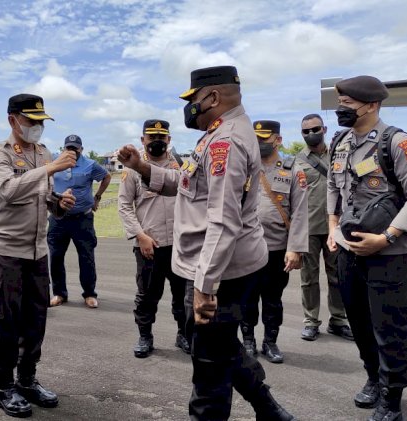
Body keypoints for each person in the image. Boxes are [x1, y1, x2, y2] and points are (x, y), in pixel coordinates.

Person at [118, 65, 294, 421]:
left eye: (194, 99)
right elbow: (187, 183)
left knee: (209, 365)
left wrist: (205, 285)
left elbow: (223, 218)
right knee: (220, 345)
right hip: (220, 263)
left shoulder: (225, 142)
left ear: (212, 97)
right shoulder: (218, 133)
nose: (191, 107)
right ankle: (268, 408)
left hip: (219, 269)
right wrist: (141, 167)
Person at [327, 76, 407, 421]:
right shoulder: (340, 141)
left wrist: (386, 237)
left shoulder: (397, 142)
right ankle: (374, 378)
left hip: (389, 253)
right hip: (348, 251)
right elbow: (333, 185)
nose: (341, 109)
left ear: (371, 105)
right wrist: (332, 225)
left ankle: (392, 398)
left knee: (390, 329)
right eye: (340, 102)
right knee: (359, 324)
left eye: (347, 104)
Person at [0, 93, 77, 418]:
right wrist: (52, 167)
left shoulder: (42, 152)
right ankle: (4, 387)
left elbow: (38, 192)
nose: (37, 127)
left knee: (36, 321)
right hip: (4, 253)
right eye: (31, 121)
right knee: (7, 324)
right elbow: (8, 190)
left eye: (41, 122)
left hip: (36, 253)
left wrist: (56, 202)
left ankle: (27, 380)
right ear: (12, 120)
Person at [117, 119, 190, 358]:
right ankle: (145, 336)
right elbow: (125, 206)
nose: (156, 142)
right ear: (142, 140)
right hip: (150, 244)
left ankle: (184, 335)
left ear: (169, 140)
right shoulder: (132, 168)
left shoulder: (181, 166)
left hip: (180, 245)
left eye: (162, 137)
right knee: (147, 295)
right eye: (151, 137)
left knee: (182, 295)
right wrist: (140, 236)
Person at [240, 120, 308, 364]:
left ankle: (271, 342)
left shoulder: (293, 170)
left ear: (277, 140)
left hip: (278, 249)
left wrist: (295, 249)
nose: (258, 144)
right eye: (255, 139)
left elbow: (300, 213)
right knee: (247, 299)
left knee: (272, 300)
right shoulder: (245, 168)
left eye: (263, 139)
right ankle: (248, 341)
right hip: (247, 248)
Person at [295, 114, 352, 342]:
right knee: (308, 279)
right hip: (308, 229)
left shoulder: (340, 156)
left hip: (335, 228)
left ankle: (338, 320)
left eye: (315, 129)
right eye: (306, 131)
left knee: (337, 277)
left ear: (324, 129)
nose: (311, 134)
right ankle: (310, 321)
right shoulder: (296, 161)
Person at [47, 134, 111, 309]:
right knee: (56, 257)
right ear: (63, 148)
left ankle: (89, 294)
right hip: (58, 218)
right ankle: (59, 293)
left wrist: (97, 197)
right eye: (69, 148)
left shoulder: (90, 164)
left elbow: (106, 177)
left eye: (75, 148)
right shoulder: (54, 162)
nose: (72, 151)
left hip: (82, 218)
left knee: (86, 257)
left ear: (81, 149)